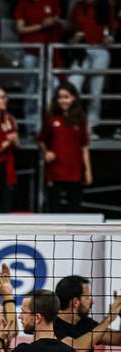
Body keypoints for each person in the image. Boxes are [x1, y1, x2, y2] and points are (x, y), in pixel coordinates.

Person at [39, 83, 93, 214]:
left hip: (74, 172)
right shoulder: (51, 118)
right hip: (55, 171)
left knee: (74, 209)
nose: (63, 100)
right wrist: (46, 152)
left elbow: (84, 146)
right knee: (54, 209)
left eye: (66, 97)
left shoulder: (81, 119)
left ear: (73, 98)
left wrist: (88, 171)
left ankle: (74, 235)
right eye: (60, 97)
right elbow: (41, 140)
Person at [67, 0, 114, 137]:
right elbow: (70, 28)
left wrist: (110, 39)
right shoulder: (78, 6)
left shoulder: (106, 6)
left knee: (96, 92)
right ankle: (72, 124)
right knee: (73, 86)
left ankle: (90, 128)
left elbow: (112, 30)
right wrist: (73, 39)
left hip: (100, 50)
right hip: (81, 51)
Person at [14, 0, 62, 135]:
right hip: (30, 52)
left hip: (50, 52)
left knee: (52, 86)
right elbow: (20, 28)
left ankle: (51, 126)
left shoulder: (52, 3)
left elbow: (60, 21)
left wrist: (55, 22)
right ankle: (32, 128)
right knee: (30, 90)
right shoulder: (23, 4)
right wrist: (41, 26)